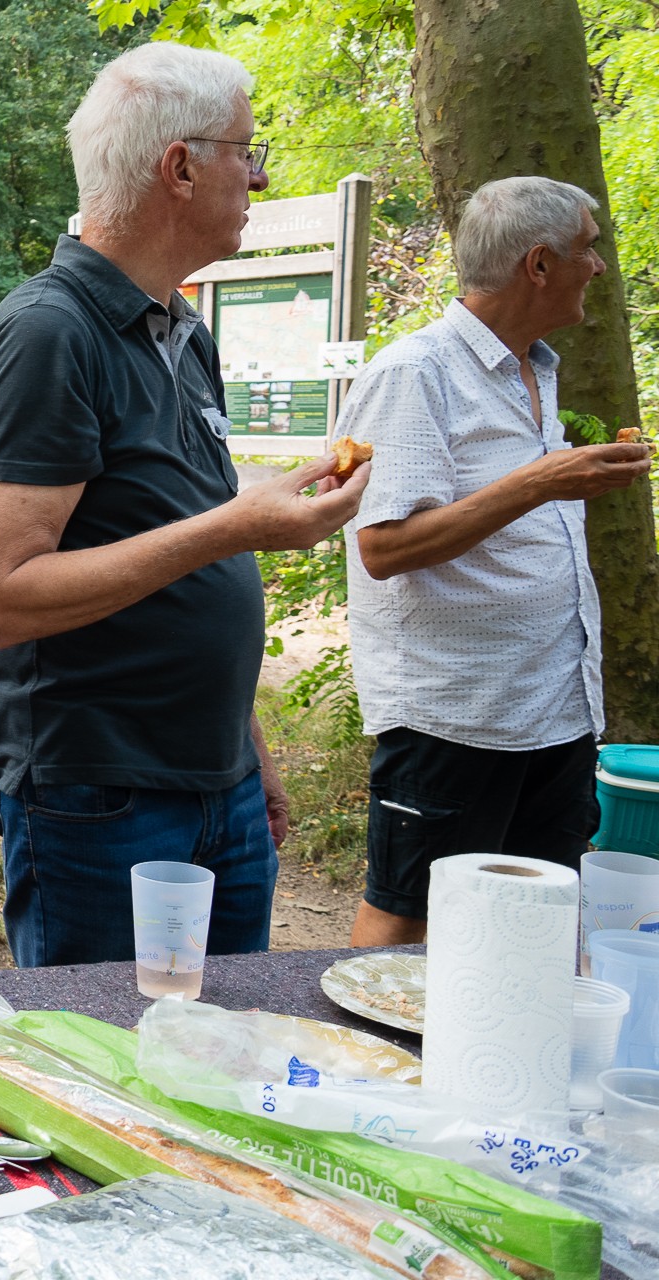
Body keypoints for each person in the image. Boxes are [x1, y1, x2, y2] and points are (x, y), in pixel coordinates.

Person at [0, 42, 369, 969]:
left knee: (217, 1060)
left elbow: (186, 548)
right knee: (104, 1078)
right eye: (245, 152)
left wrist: (242, 739)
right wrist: (242, 524)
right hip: (98, 791)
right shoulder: (48, 335)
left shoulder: (180, 328)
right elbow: (7, 594)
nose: (257, 174)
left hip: (209, 776)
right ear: (180, 166)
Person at [342, 176, 652, 947]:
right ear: (539, 264)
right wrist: (541, 481)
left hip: (552, 710)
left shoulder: (536, 367)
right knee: (409, 917)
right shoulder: (415, 373)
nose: (600, 267)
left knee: (531, 916)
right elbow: (384, 547)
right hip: (455, 715)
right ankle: (371, 1068)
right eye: (589, 249)